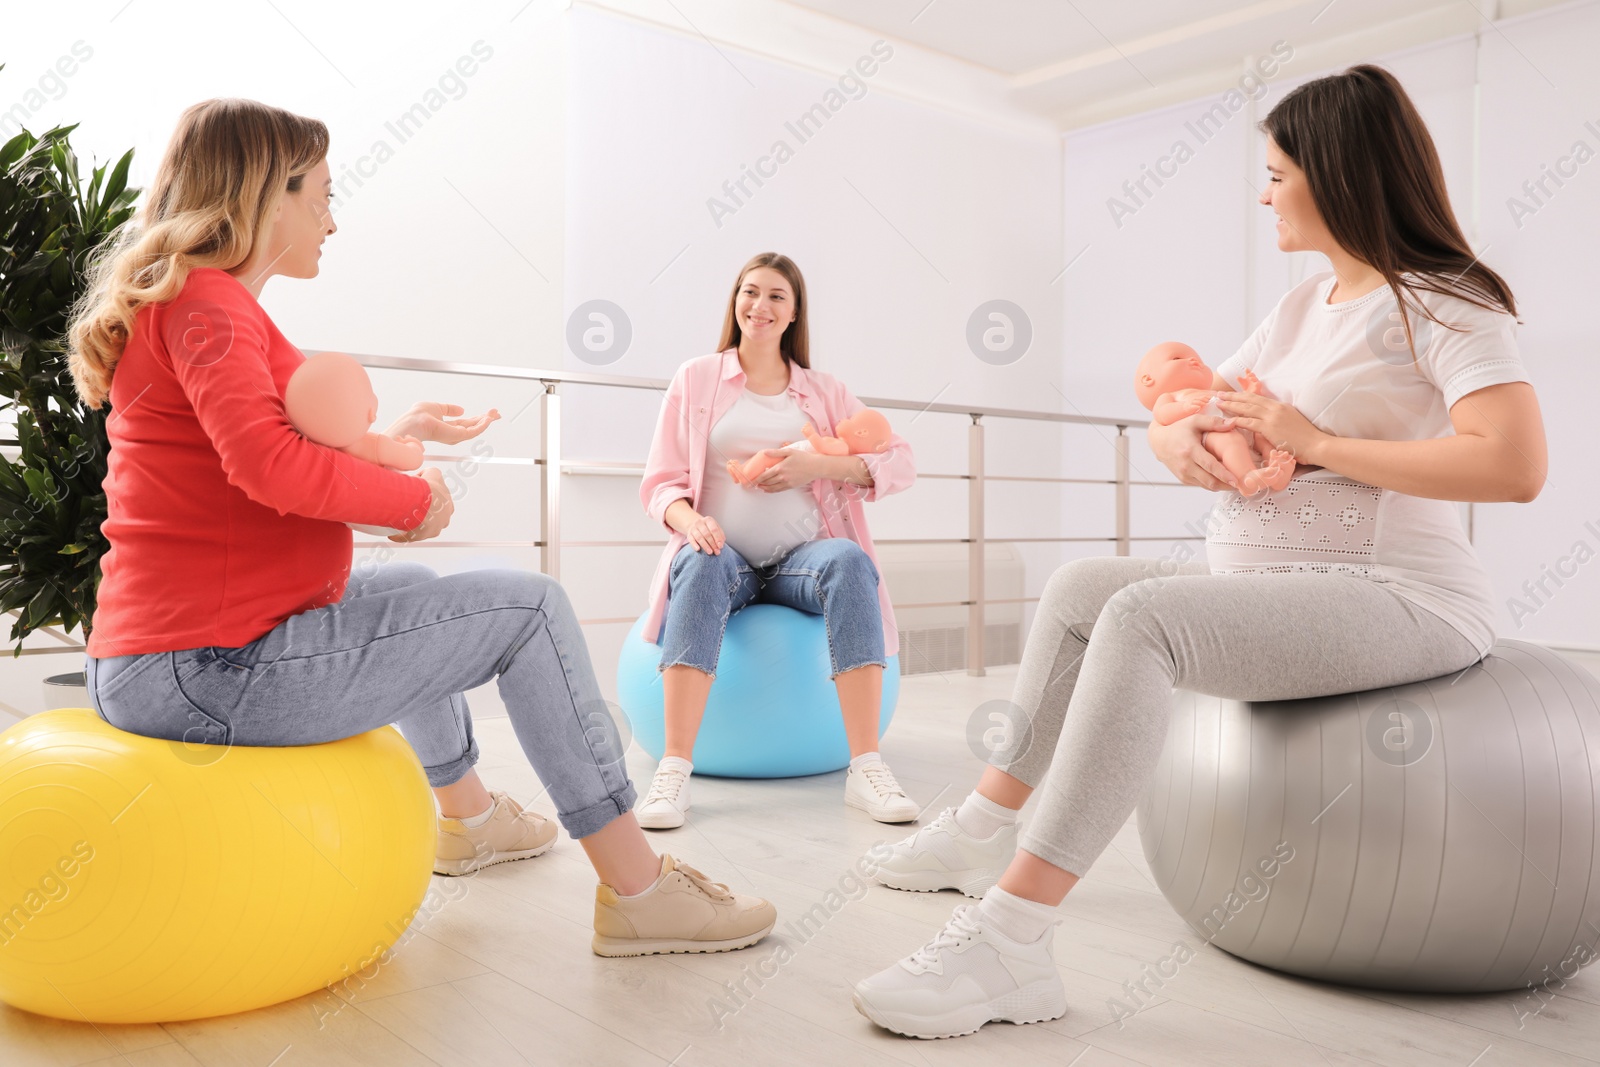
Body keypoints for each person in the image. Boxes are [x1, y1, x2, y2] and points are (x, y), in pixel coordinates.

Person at [852, 64, 1548, 1038]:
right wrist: (1178, 439)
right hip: (1276, 578)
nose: (1261, 194)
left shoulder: (1442, 300)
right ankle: (979, 828)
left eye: (1275, 172)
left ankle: (1012, 935)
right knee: (1083, 584)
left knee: (1143, 619)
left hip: (1401, 593)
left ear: (1338, 172)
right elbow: (1186, 412)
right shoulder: (1303, 308)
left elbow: (1512, 465)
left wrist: (1314, 442)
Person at [67, 98, 775, 958]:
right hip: (206, 672)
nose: (333, 217)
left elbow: (252, 462)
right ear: (265, 196)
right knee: (531, 609)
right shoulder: (210, 308)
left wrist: (397, 443)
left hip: (168, 661)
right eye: (321, 194)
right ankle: (640, 890)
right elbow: (267, 468)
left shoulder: (199, 305)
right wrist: (412, 501)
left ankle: (468, 820)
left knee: (409, 588)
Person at [634, 252, 918, 828]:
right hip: (726, 561)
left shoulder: (824, 391)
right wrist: (693, 524)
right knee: (703, 560)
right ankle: (673, 772)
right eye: (749, 292)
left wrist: (819, 464)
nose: (760, 306)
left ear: (794, 313)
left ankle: (866, 768)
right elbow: (660, 484)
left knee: (849, 560)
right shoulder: (697, 379)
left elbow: (901, 461)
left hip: (800, 566)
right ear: (735, 300)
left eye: (776, 297)